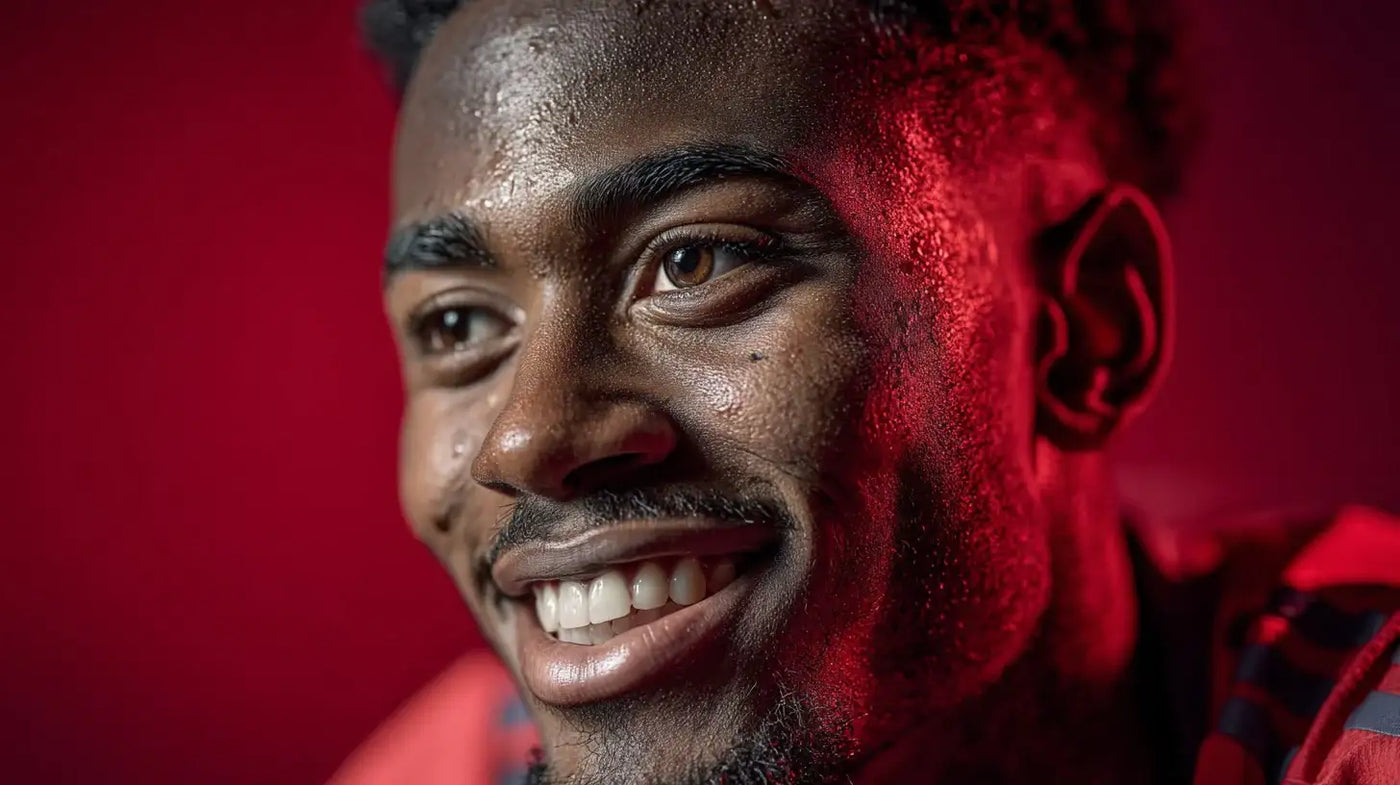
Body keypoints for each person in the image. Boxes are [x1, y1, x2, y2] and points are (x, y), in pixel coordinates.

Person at [332, 1, 1400, 783]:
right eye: (460, 324)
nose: (526, 436)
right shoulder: (454, 761)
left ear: (1083, 332)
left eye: (697, 260)